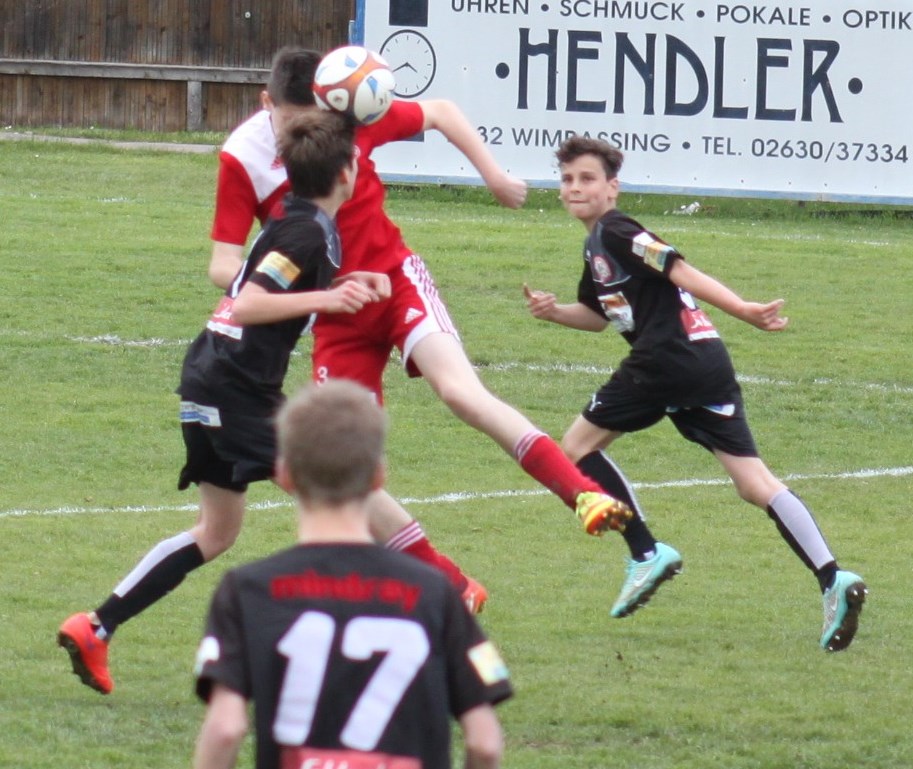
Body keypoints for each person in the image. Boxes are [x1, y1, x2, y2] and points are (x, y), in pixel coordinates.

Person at [209, 47, 635, 599]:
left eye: (318, 113)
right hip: (337, 317)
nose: (311, 126)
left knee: (460, 392)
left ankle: (582, 494)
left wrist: (493, 176)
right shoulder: (242, 158)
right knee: (345, 471)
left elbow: (440, 112)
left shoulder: (349, 121)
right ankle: (453, 585)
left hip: (396, 282)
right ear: (268, 106)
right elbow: (223, 264)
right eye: (295, 119)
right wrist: (311, 293)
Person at [58, 109, 390, 695]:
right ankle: (368, 641)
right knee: (336, 499)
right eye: (358, 157)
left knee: (217, 531)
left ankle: (95, 627)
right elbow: (251, 303)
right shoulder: (306, 230)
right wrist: (327, 300)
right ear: (346, 173)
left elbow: (266, 284)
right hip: (235, 390)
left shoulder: (298, 220)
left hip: (213, 379)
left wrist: (340, 287)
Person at [523, 135, 867, 652]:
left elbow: (677, 268)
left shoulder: (618, 230)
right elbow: (597, 317)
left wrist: (744, 309)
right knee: (754, 482)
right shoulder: (596, 245)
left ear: (612, 187)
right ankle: (833, 577)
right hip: (705, 362)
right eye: (568, 179)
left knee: (574, 448)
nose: (575, 187)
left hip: (664, 361)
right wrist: (553, 313)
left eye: (587, 178)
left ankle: (645, 552)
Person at [192, 379, 512, 769]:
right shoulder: (435, 591)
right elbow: (484, 742)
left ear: (285, 474)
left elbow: (226, 729)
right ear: (378, 477)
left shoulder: (247, 589)